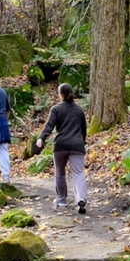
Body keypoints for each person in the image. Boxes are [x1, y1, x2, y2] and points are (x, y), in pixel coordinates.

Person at [37, 83, 88, 214]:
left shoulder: (56, 109)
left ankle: (61, 200)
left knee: (60, 173)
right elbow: (83, 129)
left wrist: (41, 137)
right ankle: (81, 198)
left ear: (61, 94)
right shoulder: (79, 110)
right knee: (78, 173)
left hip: (60, 145)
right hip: (77, 145)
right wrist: (82, 142)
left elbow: (49, 125)